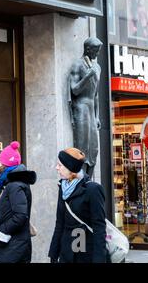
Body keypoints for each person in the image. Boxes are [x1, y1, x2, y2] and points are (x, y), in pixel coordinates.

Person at [48, 147, 108, 263]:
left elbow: (99, 227)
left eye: (60, 165)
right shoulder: (63, 188)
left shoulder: (92, 189)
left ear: (70, 168)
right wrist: (54, 253)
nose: (57, 168)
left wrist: (99, 259)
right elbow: (60, 223)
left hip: (86, 253)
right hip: (66, 252)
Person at [0, 141, 36, 263]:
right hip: (13, 246)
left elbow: (20, 216)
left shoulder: (14, 186)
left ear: (5, 164)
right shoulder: (13, 184)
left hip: (12, 247)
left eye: (0, 162)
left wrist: (2, 232)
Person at [68, 37, 103, 177]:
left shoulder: (97, 67)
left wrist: (97, 115)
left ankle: (88, 179)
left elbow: (96, 95)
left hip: (91, 108)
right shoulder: (78, 65)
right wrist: (87, 77)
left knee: (94, 148)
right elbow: (74, 90)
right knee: (81, 146)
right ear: (88, 49)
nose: (97, 53)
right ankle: (79, 178)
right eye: (96, 50)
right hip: (81, 107)